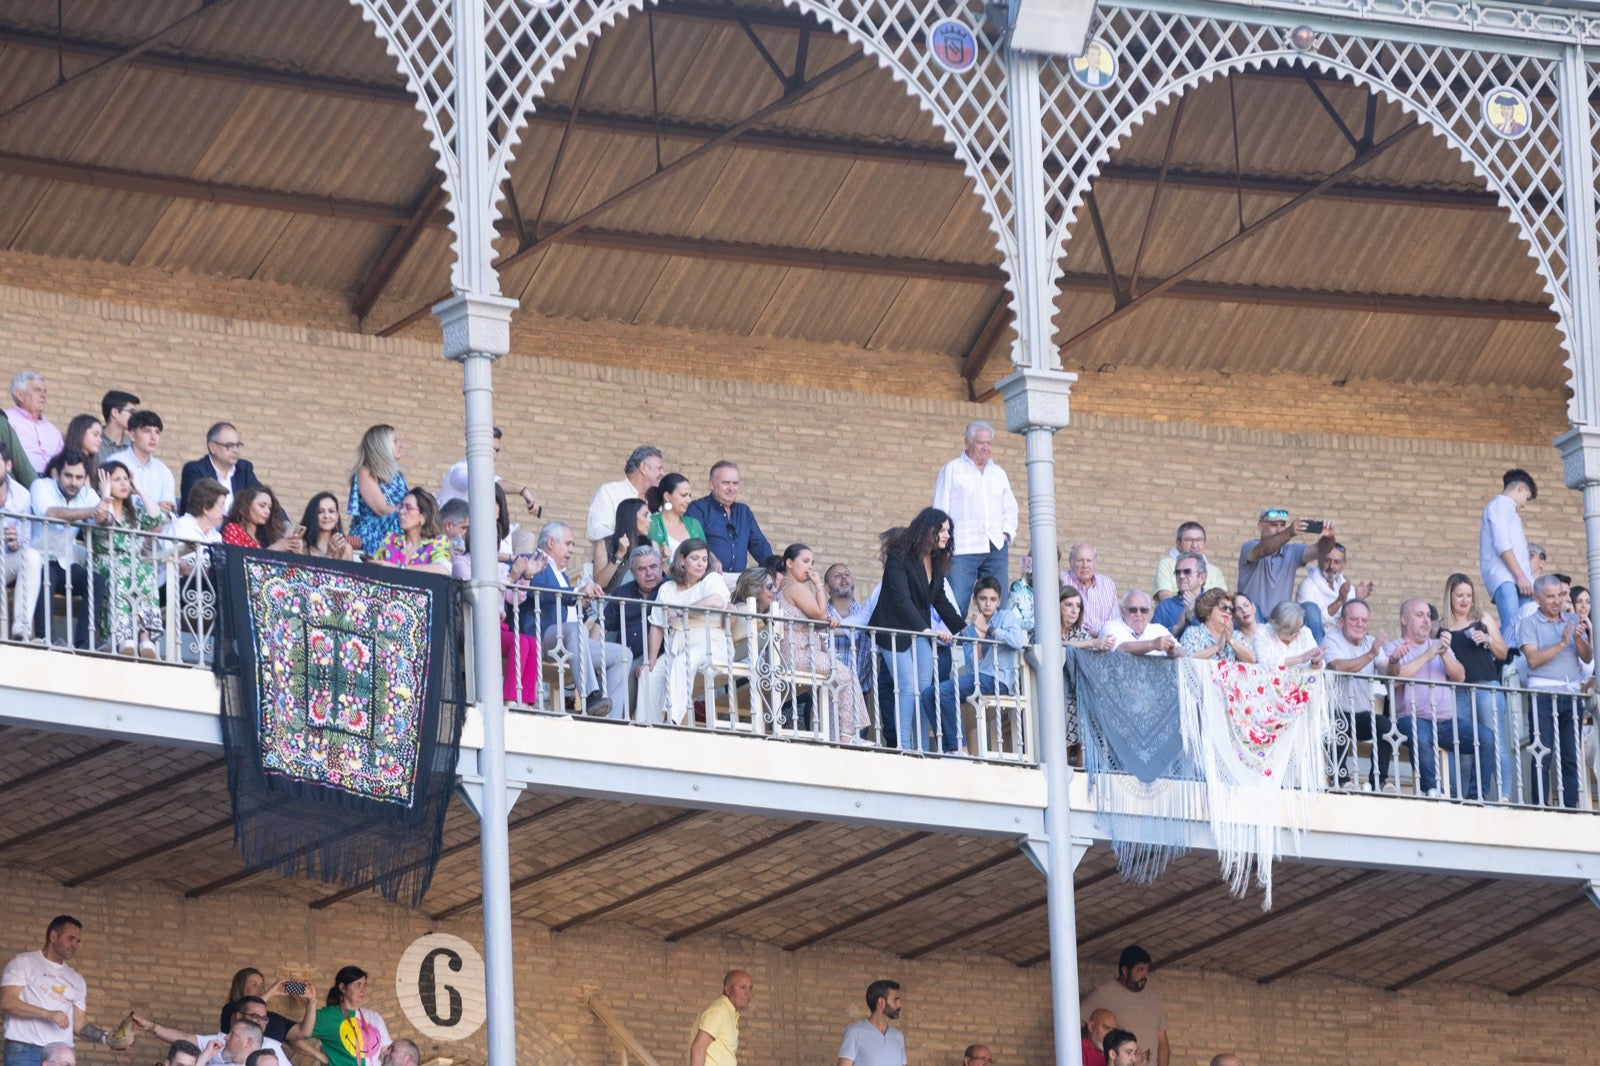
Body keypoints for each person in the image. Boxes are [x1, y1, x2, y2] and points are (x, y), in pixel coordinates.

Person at [870, 509, 965, 752]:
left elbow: (940, 600)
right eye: (941, 530)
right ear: (927, 529)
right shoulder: (899, 555)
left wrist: (965, 631)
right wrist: (926, 629)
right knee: (907, 686)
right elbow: (901, 600)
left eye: (948, 531)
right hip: (892, 631)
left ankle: (920, 748)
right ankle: (904, 747)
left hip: (919, 632)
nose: (946, 535)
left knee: (923, 692)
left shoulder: (936, 561)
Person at [521, 520, 631, 718]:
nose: (572, 550)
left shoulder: (560, 573)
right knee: (574, 629)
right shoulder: (531, 560)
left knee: (623, 655)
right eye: (568, 543)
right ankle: (590, 696)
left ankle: (610, 719)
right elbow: (540, 594)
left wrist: (585, 602)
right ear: (551, 543)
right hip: (542, 637)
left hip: (571, 641)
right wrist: (576, 591)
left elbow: (566, 604)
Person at [776, 543, 871, 743]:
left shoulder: (786, 587)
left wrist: (825, 622)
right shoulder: (794, 587)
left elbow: (813, 622)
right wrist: (819, 585)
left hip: (796, 654)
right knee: (845, 673)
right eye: (805, 561)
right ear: (789, 563)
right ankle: (847, 734)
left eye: (812, 563)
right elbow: (820, 615)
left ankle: (831, 737)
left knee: (831, 685)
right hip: (798, 655)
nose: (810, 568)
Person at [919, 577, 1024, 752]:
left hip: (1000, 679)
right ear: (975, 601)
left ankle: (960, 747)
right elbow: (973, 667)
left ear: (999, 601)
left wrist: (989, 630)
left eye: (992, 599)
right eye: (983, 599)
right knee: (929, 694)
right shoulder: (969, 630)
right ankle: (949, 749)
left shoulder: (1006, 617)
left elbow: (1017, 641)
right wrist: (978, 638)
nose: (988, 604)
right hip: (980, 678)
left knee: (944, 692)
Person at [0, 916, 116, 1066]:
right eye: (71, 938)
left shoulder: (77, 979)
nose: (75, 945)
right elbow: (7, 1002)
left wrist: (107, 1037)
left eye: (78, 941)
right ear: (53, 936)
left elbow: (79, 1025)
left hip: (61, 1054)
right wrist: (47, 1014)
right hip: (25, 1050)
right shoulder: (23, 962)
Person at [1381, 598, 1467, 798]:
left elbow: (1460, 677)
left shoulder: (1439, 645)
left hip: (1445, 721)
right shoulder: (1393, 648)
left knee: (1486, 739)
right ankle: (1433, 792)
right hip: (1409, 719)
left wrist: (1444, 654)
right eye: (1419, 615)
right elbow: (1394, 680)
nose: (1426, 621)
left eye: (1428, 616)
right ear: (1404, 619)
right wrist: (1427, 655)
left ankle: (1475, 797)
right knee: (1421, 735)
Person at [1520, 573, 1591, 808]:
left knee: (1571, 756)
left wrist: (1579, 640)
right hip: (1542, 696)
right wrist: (1561, 643)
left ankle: (1570, 807)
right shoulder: (1529, 623)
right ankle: (1540, 806)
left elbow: (1588, 656)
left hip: (1571, 696)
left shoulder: (1572, 618)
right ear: (1537, 598)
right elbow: (1532, 660)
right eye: (1549, 597)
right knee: (1542, 754)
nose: (1555, 601)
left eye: (1558, 596)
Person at [932, 420, 1017, 614]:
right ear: (967, 442)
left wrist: (1006, 533)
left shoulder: (998, 473)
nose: (986, 448)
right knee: (956, 601)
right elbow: (939, 510)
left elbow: (1010, 508)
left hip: (995, 546)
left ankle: (993, 644)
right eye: (981, 442)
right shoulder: (952, 469)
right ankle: (951, 644)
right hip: (962, 546)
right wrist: (940, 541)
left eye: (989, 443)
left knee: (998, 606)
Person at [643, 539, 731, 725]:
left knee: (684, 661)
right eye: (695, 558)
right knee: (650, 673)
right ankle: (648, 724)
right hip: (677, 645)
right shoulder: (667, 588)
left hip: (710, 644)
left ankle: (671, 720)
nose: (701, 564)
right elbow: (657, 624)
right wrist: (651, 659)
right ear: (682, 560)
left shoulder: (711, 579)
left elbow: (716, 601)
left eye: (704, 559)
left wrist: (681, 612)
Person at [28, 449, 109, 650]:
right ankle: (45, 638)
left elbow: (107, 519)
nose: (73, 482)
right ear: (57, 473)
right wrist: (91, 512)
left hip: (65, 561)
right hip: (37, 559)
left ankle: (85, 641)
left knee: (95, 581)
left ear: (85, 478)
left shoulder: (87, 493)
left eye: (79, 477)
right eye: (68, 476)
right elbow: (49, 513)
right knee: (47, 575)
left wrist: (105, 514)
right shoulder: (41, 485)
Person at [90, 461, 167, 657]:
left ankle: (144, 637)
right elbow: (104, 520)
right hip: (106, 562)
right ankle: (123, 636)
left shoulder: (135, 513)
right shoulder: (97, 508)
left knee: (146, 570)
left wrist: (138, 488)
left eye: (126, 478)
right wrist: (105, 495)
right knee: (124, 568)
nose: (124, 483)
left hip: (135, 564)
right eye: (117, 479)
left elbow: (157, 517)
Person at [1441, 573, 1506, 801]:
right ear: (1449, 596)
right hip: (1457, 691)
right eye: (1459, 595)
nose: (1464, 600)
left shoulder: (1483, 619)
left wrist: (1488, 640)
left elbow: (1503, 652)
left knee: (1496, 742)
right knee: (1465, 745)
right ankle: (1466, 798)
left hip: (1487, 686)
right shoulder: (1441, 627)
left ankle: (1503, 797)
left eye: (1469, 595)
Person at [1321, 599, 1392, 791]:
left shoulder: (1371, 643)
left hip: (1361, 713)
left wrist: (1395, 660)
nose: (1360, 625)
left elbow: (1386, 669)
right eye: (1354, 619)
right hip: (1335, 710)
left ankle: (1379, 781)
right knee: (1336, 724)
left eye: (1364, 620)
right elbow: (1338, 666)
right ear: (1342, 622)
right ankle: (1341, 780)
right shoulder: (1332, 639)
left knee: (1384, 726)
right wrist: (1370, 654)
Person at [1237, 508, 1334, 616]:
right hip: (1251, 620)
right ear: (1260, 526)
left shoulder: (1292, 551)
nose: (1279, 530)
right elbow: (1265, 549)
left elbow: (1322, 550)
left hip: (1280, 622)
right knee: (1255, 611)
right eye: (1273, 525)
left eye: (1282, 525)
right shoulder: (1249, 547)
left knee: (1310, 609)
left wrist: (1329, 538)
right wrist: (1289, 531)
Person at [1081, 946, 1168, 1066]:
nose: (1145, 975)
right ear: (1125, 970)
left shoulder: (1153, 998)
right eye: (1140, 970)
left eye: (1147, 970)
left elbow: (1162, 1042)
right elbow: (1072, 1026)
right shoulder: (1103, 994)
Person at [685, 461, 774, 576]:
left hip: (738, 582)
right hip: (707, 578)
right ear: (711, 484)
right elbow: (694, 542)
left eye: (735, 483)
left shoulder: (744, 512)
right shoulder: (697, 508)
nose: (731, 488)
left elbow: (760, 546)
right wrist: (710, 557)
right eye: (726, 483)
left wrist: (774, 571)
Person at [437, 426, 542, 518]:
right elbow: (485, 481)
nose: (494, 455)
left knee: (525, 537)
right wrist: (523, 491)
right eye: (490, 449)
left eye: (497, 450)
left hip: (473, 532)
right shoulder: (459, 471)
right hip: (453, 535)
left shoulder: (486, 474)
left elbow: (496, 481)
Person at [1479, 468, 1538, 631]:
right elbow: (1502, 544)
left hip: (1520, 580)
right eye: (1526, 498)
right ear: (1521, 488)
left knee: (1524, 630)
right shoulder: (1499, 505)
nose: (1524, 505)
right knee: (1512, 628)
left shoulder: (1510, 512)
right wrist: (1520, 576)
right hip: (1506, 578)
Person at [0, 441, 43, 641]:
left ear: (8, 466)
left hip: (5, 563)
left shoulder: (22, 496)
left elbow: (26, 540)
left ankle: (21, 628)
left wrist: (16, 544)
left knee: (32, 556)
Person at [1295, 542, 1374, 644]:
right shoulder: (1307, 586)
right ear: (1319, 560)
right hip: (1317, 644)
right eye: (1327, 560)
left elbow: (1350, 622)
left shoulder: (1346, 586)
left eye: (1336, 562)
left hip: (1341, 644)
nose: (1331, 566)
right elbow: (1313, 624)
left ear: (1343, 564)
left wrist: (1357, 600)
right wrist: (1340, 601)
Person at [310, 967, 389, 1066]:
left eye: (365, 985)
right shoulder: (326, 1016)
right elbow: (293, 1036)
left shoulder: (375, 1017)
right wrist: (319, 1055)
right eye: (358, 985)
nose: (363, 990)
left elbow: (385, 1053)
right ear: (343, 987)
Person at [587, 445, 664, 545]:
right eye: (659, 468)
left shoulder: (659, 500)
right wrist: (628, 540)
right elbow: (595, 531)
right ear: (643, 468)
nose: (662, 473)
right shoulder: (610, 492)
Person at [347, 425, 407, 553]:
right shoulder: (365, 472)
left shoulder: (398, 476)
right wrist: (409, 512)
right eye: (395, 441)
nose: (400, 445)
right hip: (371, 531)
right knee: (403, 520)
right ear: (382, 446)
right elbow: (381, 509)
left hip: (395, 524)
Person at [180, 422, 261, 515]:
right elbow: (198, 508)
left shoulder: (244, 469)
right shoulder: (195, 470)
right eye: (230, 446)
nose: (236, 450)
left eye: (238, 445)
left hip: (236, 527)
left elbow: (261, 496)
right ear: (213, 447)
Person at [106, 410, 177, 515]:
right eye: (147, 431)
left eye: (157, 432)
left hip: (156, 527)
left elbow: (170, 511)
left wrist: (165, 510)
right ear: (132, 436)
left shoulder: (163, 470)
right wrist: (156, 508)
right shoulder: (115, 462)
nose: (153, 437)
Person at [605, 545, 664, 666]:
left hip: (658, 660)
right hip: (622, 659)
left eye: (653, 567)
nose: (649, 573)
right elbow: (600, 626)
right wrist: (593, 658)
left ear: (661, 567)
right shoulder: (622, 593)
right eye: (641, 569)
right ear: (632, 572)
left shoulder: (670, 589)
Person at [370, 489, 450, 576]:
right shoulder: (390, 540)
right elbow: (374, 569)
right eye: (401, 507)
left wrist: (399, 568)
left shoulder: (437, 542)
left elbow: (444, 569)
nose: (401, 512)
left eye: (408, 508)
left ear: (422, 516)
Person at [688, 969, 752, 1066]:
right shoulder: (720, 1010)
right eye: (743, 987)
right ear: (728, 989)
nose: (748, 994)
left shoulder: (729, 1012)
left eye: (750, 988)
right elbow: (698, 1048)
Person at [836, 980, 905, 1066]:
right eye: (896, 1000)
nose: (900, 1005)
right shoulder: (854, 1032)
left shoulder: (898, 1036)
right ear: (881, 1002)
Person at [1153, 522, 1227, 601]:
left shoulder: (1215, 571)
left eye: (1199, 540)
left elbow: (1224, 600)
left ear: (1204, 543)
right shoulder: (1166, 564)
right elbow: (1165, 597)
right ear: (1178, 543)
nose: (1194, 545)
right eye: (1188, 540)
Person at [5, 371, 62, 474]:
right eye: (37, 390)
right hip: (18, 481)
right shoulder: (6, 420)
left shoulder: (53, 430)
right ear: (19, 395)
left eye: (45, 391)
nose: (43, 395)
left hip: (52, 483)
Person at [1178, 589, 1255, 662]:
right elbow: (1186, 660)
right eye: (1224, 608)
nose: (1228, 611)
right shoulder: (1193, 633)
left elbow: (1252, 660)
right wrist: (1217, 647)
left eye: (1231, 609)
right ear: (1208, 610)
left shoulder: (1237, 636)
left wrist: (1231, 641)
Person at [594, 497, 650, 593]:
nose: (650, 520)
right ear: (631, 517)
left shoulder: (650, 545)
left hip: (640, 605)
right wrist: (619, 555)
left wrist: (663, 562)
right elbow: (599, 583)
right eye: (645, 515)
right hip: (611, 605)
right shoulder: (605, 543)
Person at [646, 473, 707, 562]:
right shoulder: (651, 523)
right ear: (667, 496)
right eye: (683, 495)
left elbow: (706, 556)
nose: (689, 500)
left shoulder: (694, 524)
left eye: (689, 496)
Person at [1102, 591, 1182, 657]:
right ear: (1122, 611)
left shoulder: (1159, 629)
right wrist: (1153, 644)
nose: (1138, 614)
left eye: (1143, 610)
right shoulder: (1111, 627)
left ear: (1149, 612)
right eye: (1133, 610)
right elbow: (1121, 648)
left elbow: (1182, 651)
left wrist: (1173, 651)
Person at [221, 485, 300, 552]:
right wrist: (275, 548)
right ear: (246, 506)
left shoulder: (267, 534)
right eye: (262, 506)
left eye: (269, 508)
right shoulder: (233, 529)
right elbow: (234, 560)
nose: (267, 511)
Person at [1063, 543, 1118, 637]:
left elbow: (1114, 622)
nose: (1085, 565)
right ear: (1071, 562)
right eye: (1080, 560)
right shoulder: (1062, 582)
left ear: (1095, 563)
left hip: (1104, 644)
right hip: (1072, 643)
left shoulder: (1108, 584)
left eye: (1089, 561)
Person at [1252, 602, 1324, 670]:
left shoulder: (1304, 632)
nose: (1298, 633)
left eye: (1300, 627)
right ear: (1277, 628)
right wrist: (1300, 659)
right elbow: (1265, 663)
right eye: (1292, 632)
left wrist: (1315, 662)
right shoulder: (1263, 633)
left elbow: (1319, 667)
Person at [1150, 553, 1206, 638]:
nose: (1181, 576)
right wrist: (1177, 627)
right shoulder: (1164, 607)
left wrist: (1193, 617)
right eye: (1177, 572)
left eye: (1187, 572)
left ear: (1201, 578)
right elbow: (1152, 641)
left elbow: (1216, 639)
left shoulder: (1213, 606)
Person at [300, 493, 354, 560]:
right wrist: (329, 555)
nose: (326, 516)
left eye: (331, 511)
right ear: (312, 516)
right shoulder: (302, 545)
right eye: (320, 512)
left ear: (337, 516)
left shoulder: (345, 548)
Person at [1061, 587, 1112, 652]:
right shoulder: (1047, 629)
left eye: (1078, 606)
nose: (1074, 611)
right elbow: (1056, 645)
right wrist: (1091, 643)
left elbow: (1094, 647)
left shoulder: (1078, 631)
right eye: (1069, 605)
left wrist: (1104, 644)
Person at [97, 390, 139, 469]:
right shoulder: (93, 440)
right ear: (115, 412)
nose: (135, 417)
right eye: (131, 412)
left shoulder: (133, 446)